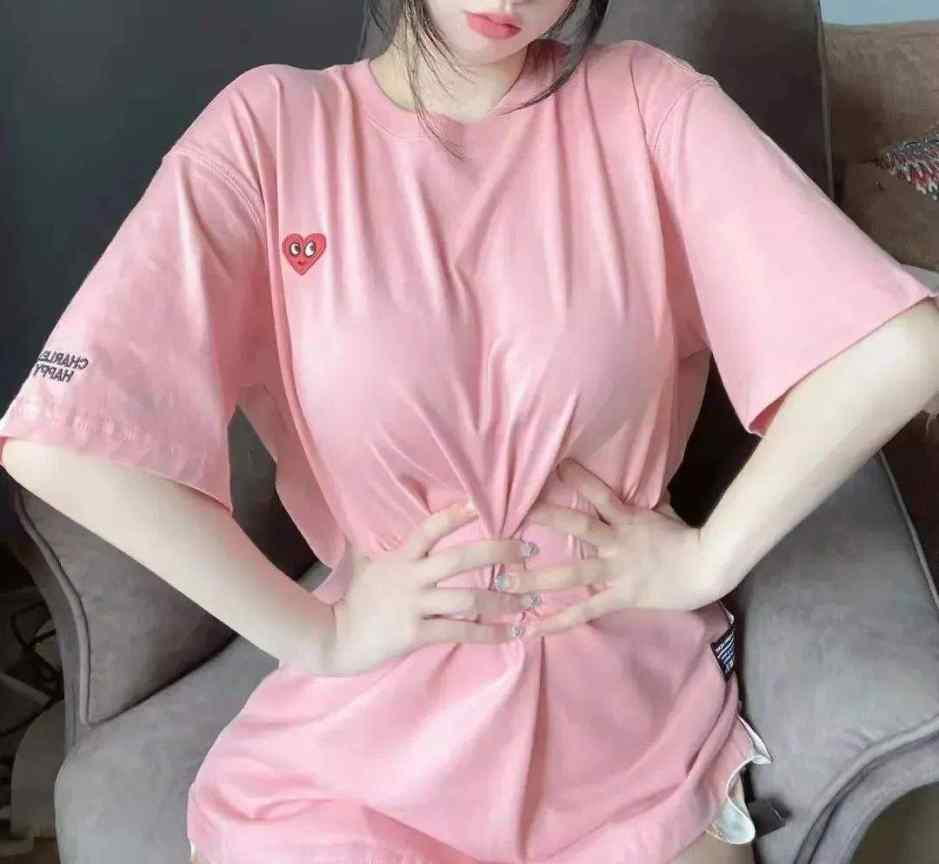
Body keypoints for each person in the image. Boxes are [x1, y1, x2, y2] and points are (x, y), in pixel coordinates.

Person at [2, 2, 939, 863]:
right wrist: (318, 635)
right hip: (368, 740)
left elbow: (902, 344)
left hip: (626, 725)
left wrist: (705, 560)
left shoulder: (648, 105)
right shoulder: (273, 128)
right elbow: (64, 440)